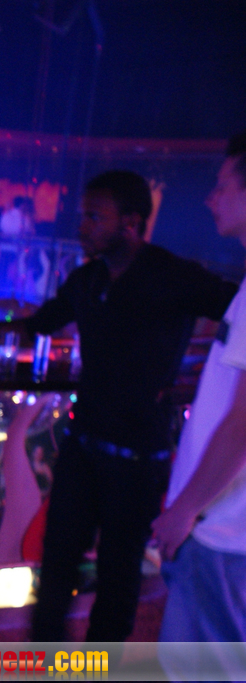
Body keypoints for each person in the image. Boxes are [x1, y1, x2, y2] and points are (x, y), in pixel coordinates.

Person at [0, 170, 238, 642]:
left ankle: (100, 672)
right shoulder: (87, 279)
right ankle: (49, 667)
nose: (83, 227)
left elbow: (233, 310)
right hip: (83, 447)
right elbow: (39, 323)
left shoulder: (171, 275)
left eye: (95, 217)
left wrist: (198, 373)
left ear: (131, 223)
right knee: (56, 571)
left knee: (118, 581)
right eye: (84, 216)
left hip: (138, 458)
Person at [153, 132, 246, 645]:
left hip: (222, 534)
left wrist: (185, 509)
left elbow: (243, 422)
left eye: (222, 186)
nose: (211, 198)